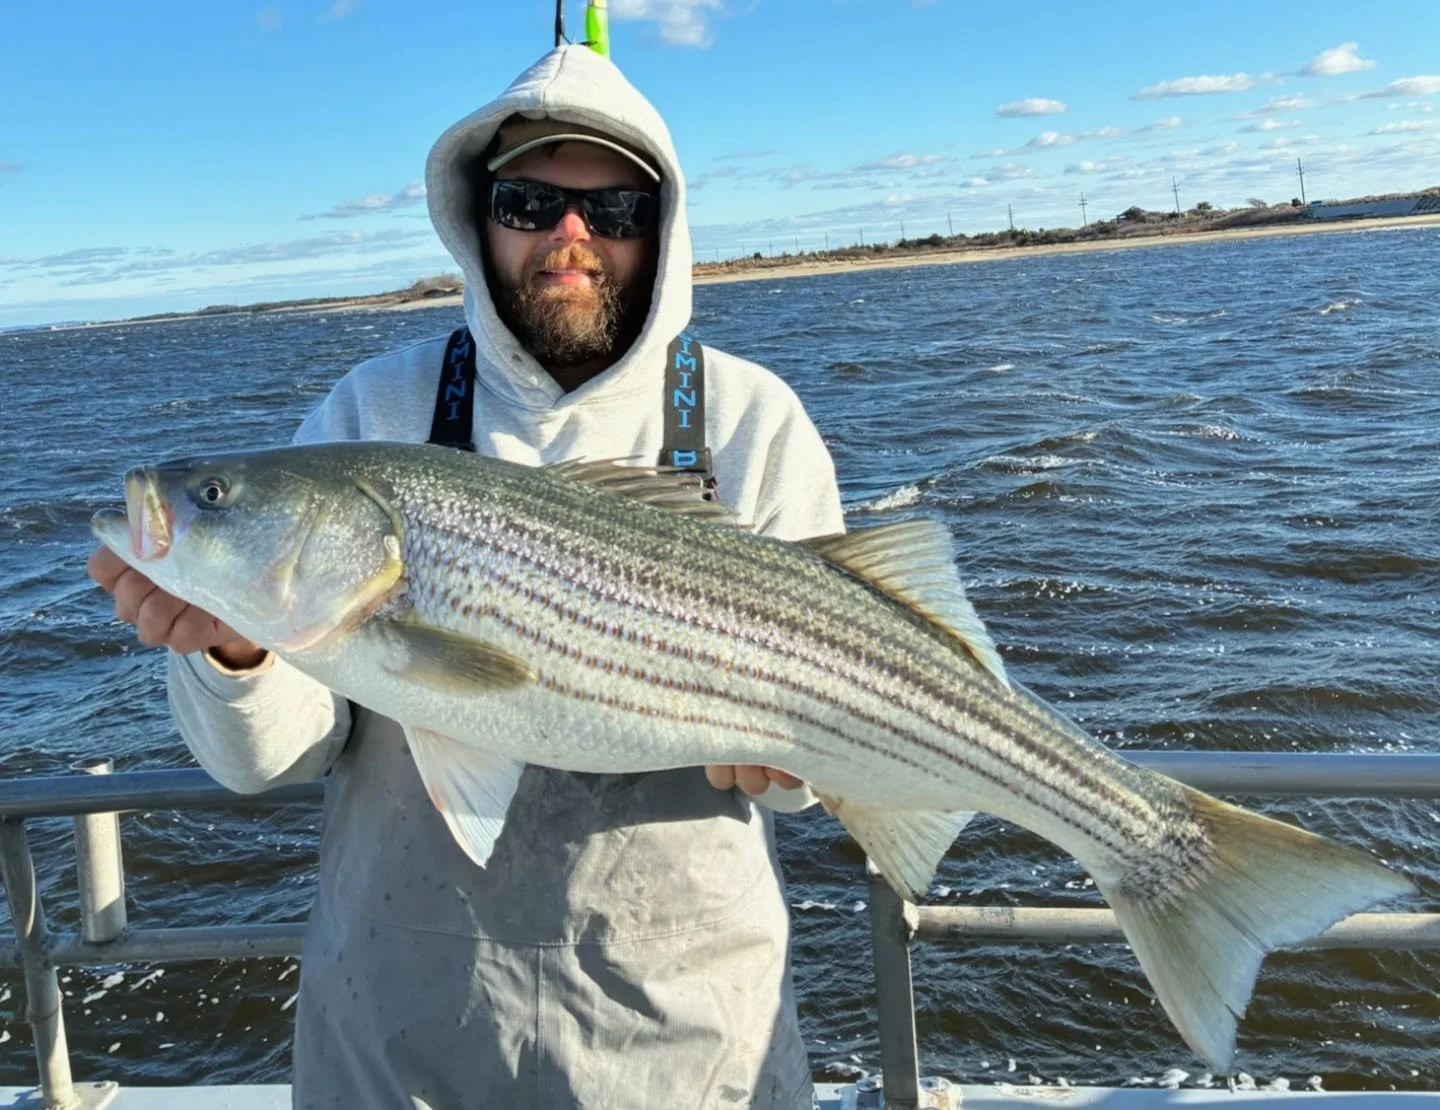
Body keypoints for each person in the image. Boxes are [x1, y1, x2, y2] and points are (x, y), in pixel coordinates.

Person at [89, 43, 843, 1110]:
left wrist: (794, 756)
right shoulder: (369, 412)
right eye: (528, 202)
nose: (570, 235)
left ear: (662, 229)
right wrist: (236, 652)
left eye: (614, 210)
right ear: (477, 220)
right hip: (397, 1044)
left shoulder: (753, 419)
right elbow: (264, 764)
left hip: (684, 1043)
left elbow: (817, 776)